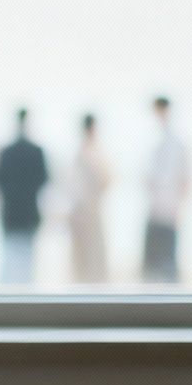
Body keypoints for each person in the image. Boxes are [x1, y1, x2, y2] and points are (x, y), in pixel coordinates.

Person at [0, 108, 49, 284]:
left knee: (11, 257)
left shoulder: (7, 152)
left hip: (11, 211)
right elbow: (43, 179)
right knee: (27, 260)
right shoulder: (36, 151)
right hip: (28, 211)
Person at [143, 96, 191, 283]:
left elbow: (185, 179)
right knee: (153, 264)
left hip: (169, 209)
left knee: (166, 262)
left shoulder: (176, 142)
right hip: (156, 208)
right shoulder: (157, 141)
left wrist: (180, 205)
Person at [65, 113, 112, 283]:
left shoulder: (86, 152)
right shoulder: (88, 153)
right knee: (88, 262)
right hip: (85, 214)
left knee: (87, 263)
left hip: (85, 213)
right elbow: (105, 181)